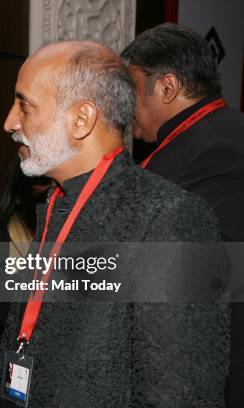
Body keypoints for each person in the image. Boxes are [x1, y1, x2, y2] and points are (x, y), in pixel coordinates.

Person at [0, 40, 229, 407]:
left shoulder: (169, 219)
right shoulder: (57, 206)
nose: (10, 122)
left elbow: (180, 394)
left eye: (24, 105)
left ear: (81, 120)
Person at [121, 23, 244, 406]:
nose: (126, 109)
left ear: (168, 88)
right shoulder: (205, 136)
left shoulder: (217, 146)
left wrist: (68, 273)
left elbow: (213, 270)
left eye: (132, 92)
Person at [0, 156, 50, 408]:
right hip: (0, 363)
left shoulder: (60, 239)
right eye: (42, 182)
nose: (49, 191)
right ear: (20, 190)